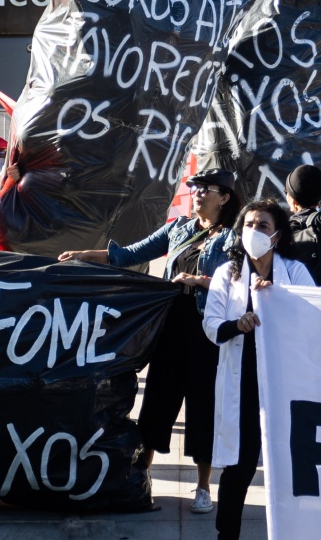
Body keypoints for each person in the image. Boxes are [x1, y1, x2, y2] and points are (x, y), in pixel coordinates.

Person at [61, 168, 238, 514]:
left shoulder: (231, 238)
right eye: (195, 187)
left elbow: (236, 281)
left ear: (225, 197)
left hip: (207, 332)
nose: (198, 193)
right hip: (170, 326)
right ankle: (140, 472)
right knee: (157, 401)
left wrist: (202, 281)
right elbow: (129, 255)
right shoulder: (178, 229)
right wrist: (85, 254)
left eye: (207, 188)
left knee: (203, 407)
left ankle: (203, 487)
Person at [201, 197, 312, 540]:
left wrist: (276, 300)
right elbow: (213, 325)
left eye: (263, 225)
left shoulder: (295, 272)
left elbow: (314, 317)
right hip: (243, 385)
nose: (254, 231)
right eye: (248, 224)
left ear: (278, 235)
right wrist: (240, 323)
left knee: (290, 469)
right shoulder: (227, 275)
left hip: (284, 384)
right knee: (239, 468)